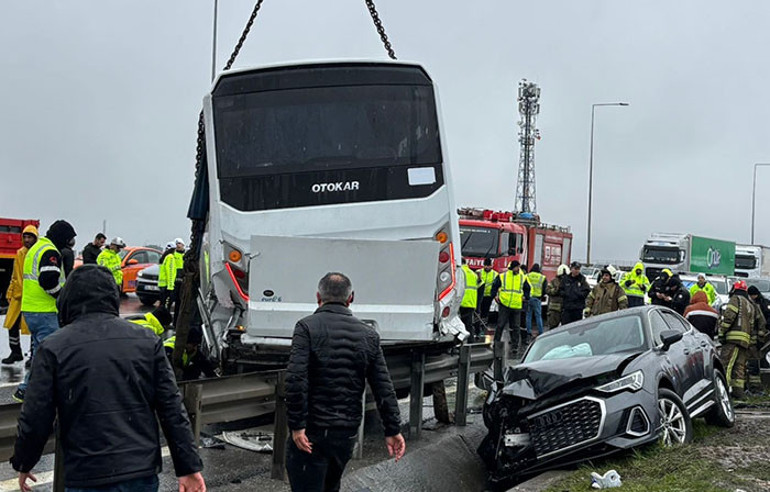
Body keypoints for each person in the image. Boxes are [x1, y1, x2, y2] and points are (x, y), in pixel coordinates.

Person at [10, 265, 205, 491]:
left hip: (87, 473)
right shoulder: (146, 341)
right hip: (140, 472)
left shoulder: (54, 347)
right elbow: (171, 408)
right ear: (112, 297)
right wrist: (188, 467)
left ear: (67, 300)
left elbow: (36, 415)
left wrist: (24, 461)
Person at [285, 272, 405, 491]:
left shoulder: (306, 327)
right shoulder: (368, 335)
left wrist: (297, 425)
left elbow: (295, 378)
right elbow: (383, 386)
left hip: (313, 429)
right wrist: (392, 429)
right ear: (351, 298)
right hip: (346, 433)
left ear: (318, 297)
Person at [13, 220, 76, 403]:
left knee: (40, 351)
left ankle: (27, 390)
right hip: (44, 311)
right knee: (52, 354)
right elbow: (48, 280)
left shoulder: (37, 247)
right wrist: (62, 298)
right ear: (62, 237)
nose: (69, 243)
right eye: (68, 239)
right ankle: (37, 392)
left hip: (31, 309)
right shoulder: (49, 251)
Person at [718, 280, 765, 400]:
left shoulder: (735, 299)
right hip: (745, 341)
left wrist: (721, 332)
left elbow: (729, 317)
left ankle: (721, 392)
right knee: (739, 368)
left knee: (726, 365)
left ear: (735, 289)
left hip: (733, 339)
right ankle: (739, 393)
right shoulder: (750, 303)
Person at [2, 226, 37, 365]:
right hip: (18, 295)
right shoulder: (19, 253)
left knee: (33, 327)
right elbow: (15, 275)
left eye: (30, 237)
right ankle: (15, 352)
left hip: (32, 296)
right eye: (25, 237)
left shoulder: (37, 253)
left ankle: (33, 355)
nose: (27, 240)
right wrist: (10, 291)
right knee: (12, 324)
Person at [489, 261, 530, 354]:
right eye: (516, 267)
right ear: (512, 267)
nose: (518, 269)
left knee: (516, 327)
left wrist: (526, 297)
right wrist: (494, 295)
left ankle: (515, 346)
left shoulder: (522, 277)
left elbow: (527, 288)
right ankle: (496, 343)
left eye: (518, 267)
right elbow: (495, 286)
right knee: (500, 325)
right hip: (505, 304)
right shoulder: (503, 276)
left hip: (516, 305)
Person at [747, 285, 770, 393]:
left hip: (761, 334)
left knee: (757, 357)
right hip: (760, 334)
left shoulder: (761, 303)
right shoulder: (758, 303)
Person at [164, 238, 186, 327]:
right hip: (174, 282)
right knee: (169, 302)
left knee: (179, 304)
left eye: (179, 243)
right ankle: (166, 321)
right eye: (176, 244)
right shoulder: (173, 255)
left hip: (182, 283)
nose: (178, 245)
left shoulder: (185, 255)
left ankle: (176, 323)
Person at [459, 259, 480, 340]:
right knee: (468, 324)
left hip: (461, 301)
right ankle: (470, 342)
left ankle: (458, 343)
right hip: (471, 302)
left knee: (458, 324)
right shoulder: (473, 273)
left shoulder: (460, 272)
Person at [525, 263, 547, 340]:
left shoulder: (527, 275)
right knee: (538, 316)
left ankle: (528, 331)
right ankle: (540, 331)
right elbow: (545, 289)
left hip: (528, 298)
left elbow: (524, 286)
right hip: (537, 299)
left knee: (528, 315)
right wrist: (541, 296)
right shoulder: (542, 277)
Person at [545, 264, 568, 329]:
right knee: (552, 327)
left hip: (565, 309)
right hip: (554, 309)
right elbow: (547, 290)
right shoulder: (554, 281)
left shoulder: (569, 282)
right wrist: (556, 290)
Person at [477, 258, 498, 324]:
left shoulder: (495, 274)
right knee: (478, 309)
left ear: (491, 266)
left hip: (489, 295)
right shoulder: (478, 272)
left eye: (488, 265)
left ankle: (483, 323)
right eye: (485, 265)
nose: (487, 267)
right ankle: (478, 323)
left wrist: (495, 295)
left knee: (486, 310)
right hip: (479, 295)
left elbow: (497, 286)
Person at [158, 241, 176, 307]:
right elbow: (170, 272)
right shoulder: (170, 257)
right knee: (166, 306)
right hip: (167, 286)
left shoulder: (164, 257)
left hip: (162, 285)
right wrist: (170, 287)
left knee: (162, 305)